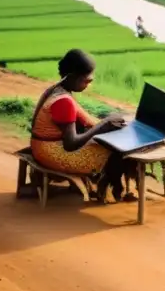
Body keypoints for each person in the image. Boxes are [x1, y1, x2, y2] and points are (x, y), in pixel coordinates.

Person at [29, 49, 132, 202]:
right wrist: (102, 126)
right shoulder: (64, 101)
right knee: (117, 151)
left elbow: (78, 119)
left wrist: (104, 121)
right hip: (52, 153)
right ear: (73, 77)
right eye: (87, 81)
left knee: (106, 137)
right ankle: (109, 189)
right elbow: (70, 144)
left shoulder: (57, 89)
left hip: (41, 147)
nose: (88, 85)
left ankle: (110, 187)